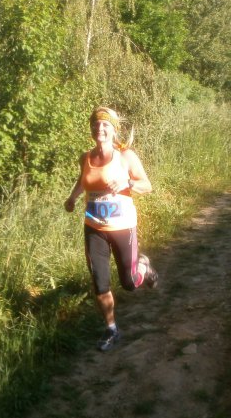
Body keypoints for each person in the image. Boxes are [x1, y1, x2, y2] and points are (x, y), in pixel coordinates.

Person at [63, 106, 158, 352]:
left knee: (129, 282)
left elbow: (147, 185)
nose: (100, 129)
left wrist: (128, 182)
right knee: (99, 281)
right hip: (93, 227)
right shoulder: (85, 157)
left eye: (105, 125)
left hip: (123, 227)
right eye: (96, 124)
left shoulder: (126, 157)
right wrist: (72, 198)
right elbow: (82, 179)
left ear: (114, 130)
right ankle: (111, 329)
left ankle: (143, 267)